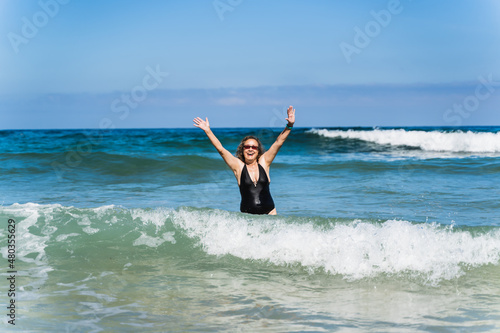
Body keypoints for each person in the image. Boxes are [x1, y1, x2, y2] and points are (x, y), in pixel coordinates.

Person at [193, 106, 296, 215]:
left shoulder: (264, 162)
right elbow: (221, 150)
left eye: (254, 147)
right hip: (248, 218)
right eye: (247, 147)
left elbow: (278, 142)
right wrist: (208, 131)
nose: (250, 149)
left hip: (270, 213)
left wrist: (290, 125)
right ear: (242, 150)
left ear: (258, 151)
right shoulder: (238, 166)